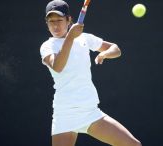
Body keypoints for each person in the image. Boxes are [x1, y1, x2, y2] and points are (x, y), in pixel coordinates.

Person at [40, 0, 142, 146]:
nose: (55, 25)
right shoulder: (47, 46)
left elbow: (116, 49)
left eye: (59, 20)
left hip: (90, 112)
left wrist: (104, 54)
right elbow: (58, 66)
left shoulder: (85, 38)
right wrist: (70, 37)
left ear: (69, 20)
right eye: (51, 21)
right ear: (47, 23)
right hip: (65, 115)